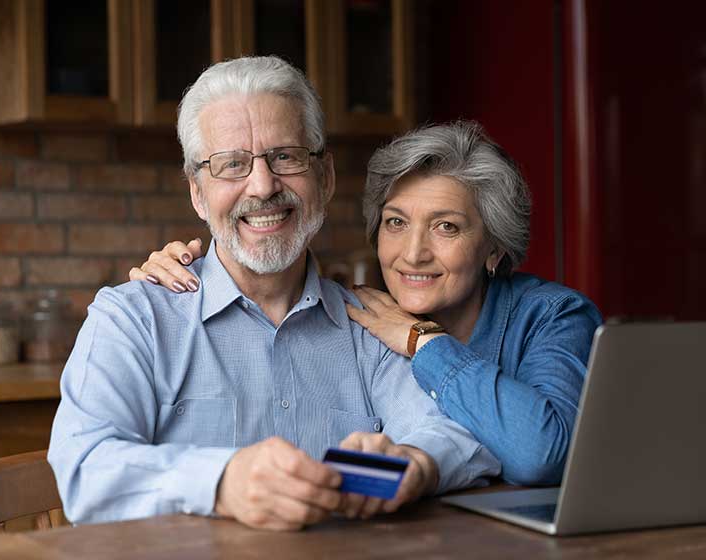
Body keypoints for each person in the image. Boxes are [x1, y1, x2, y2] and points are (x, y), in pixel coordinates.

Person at [48, 56, 500, 532]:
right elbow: (85, 471)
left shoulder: (371, 324)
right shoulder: (133, 317)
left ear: (324, 178)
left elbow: (459, 434)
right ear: (198, 194)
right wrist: (222, 483)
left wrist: (410, 464)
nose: (263, 186)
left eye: (285, 156)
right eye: (231, 165)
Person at [132, 121, 604, 486]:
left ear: (495, 248)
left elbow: (540, 455)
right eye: (396, 223)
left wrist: (425, 344)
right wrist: (193, 266)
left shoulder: (553, 316)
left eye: (447, 227)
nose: (414, 252)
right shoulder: (355, 315)